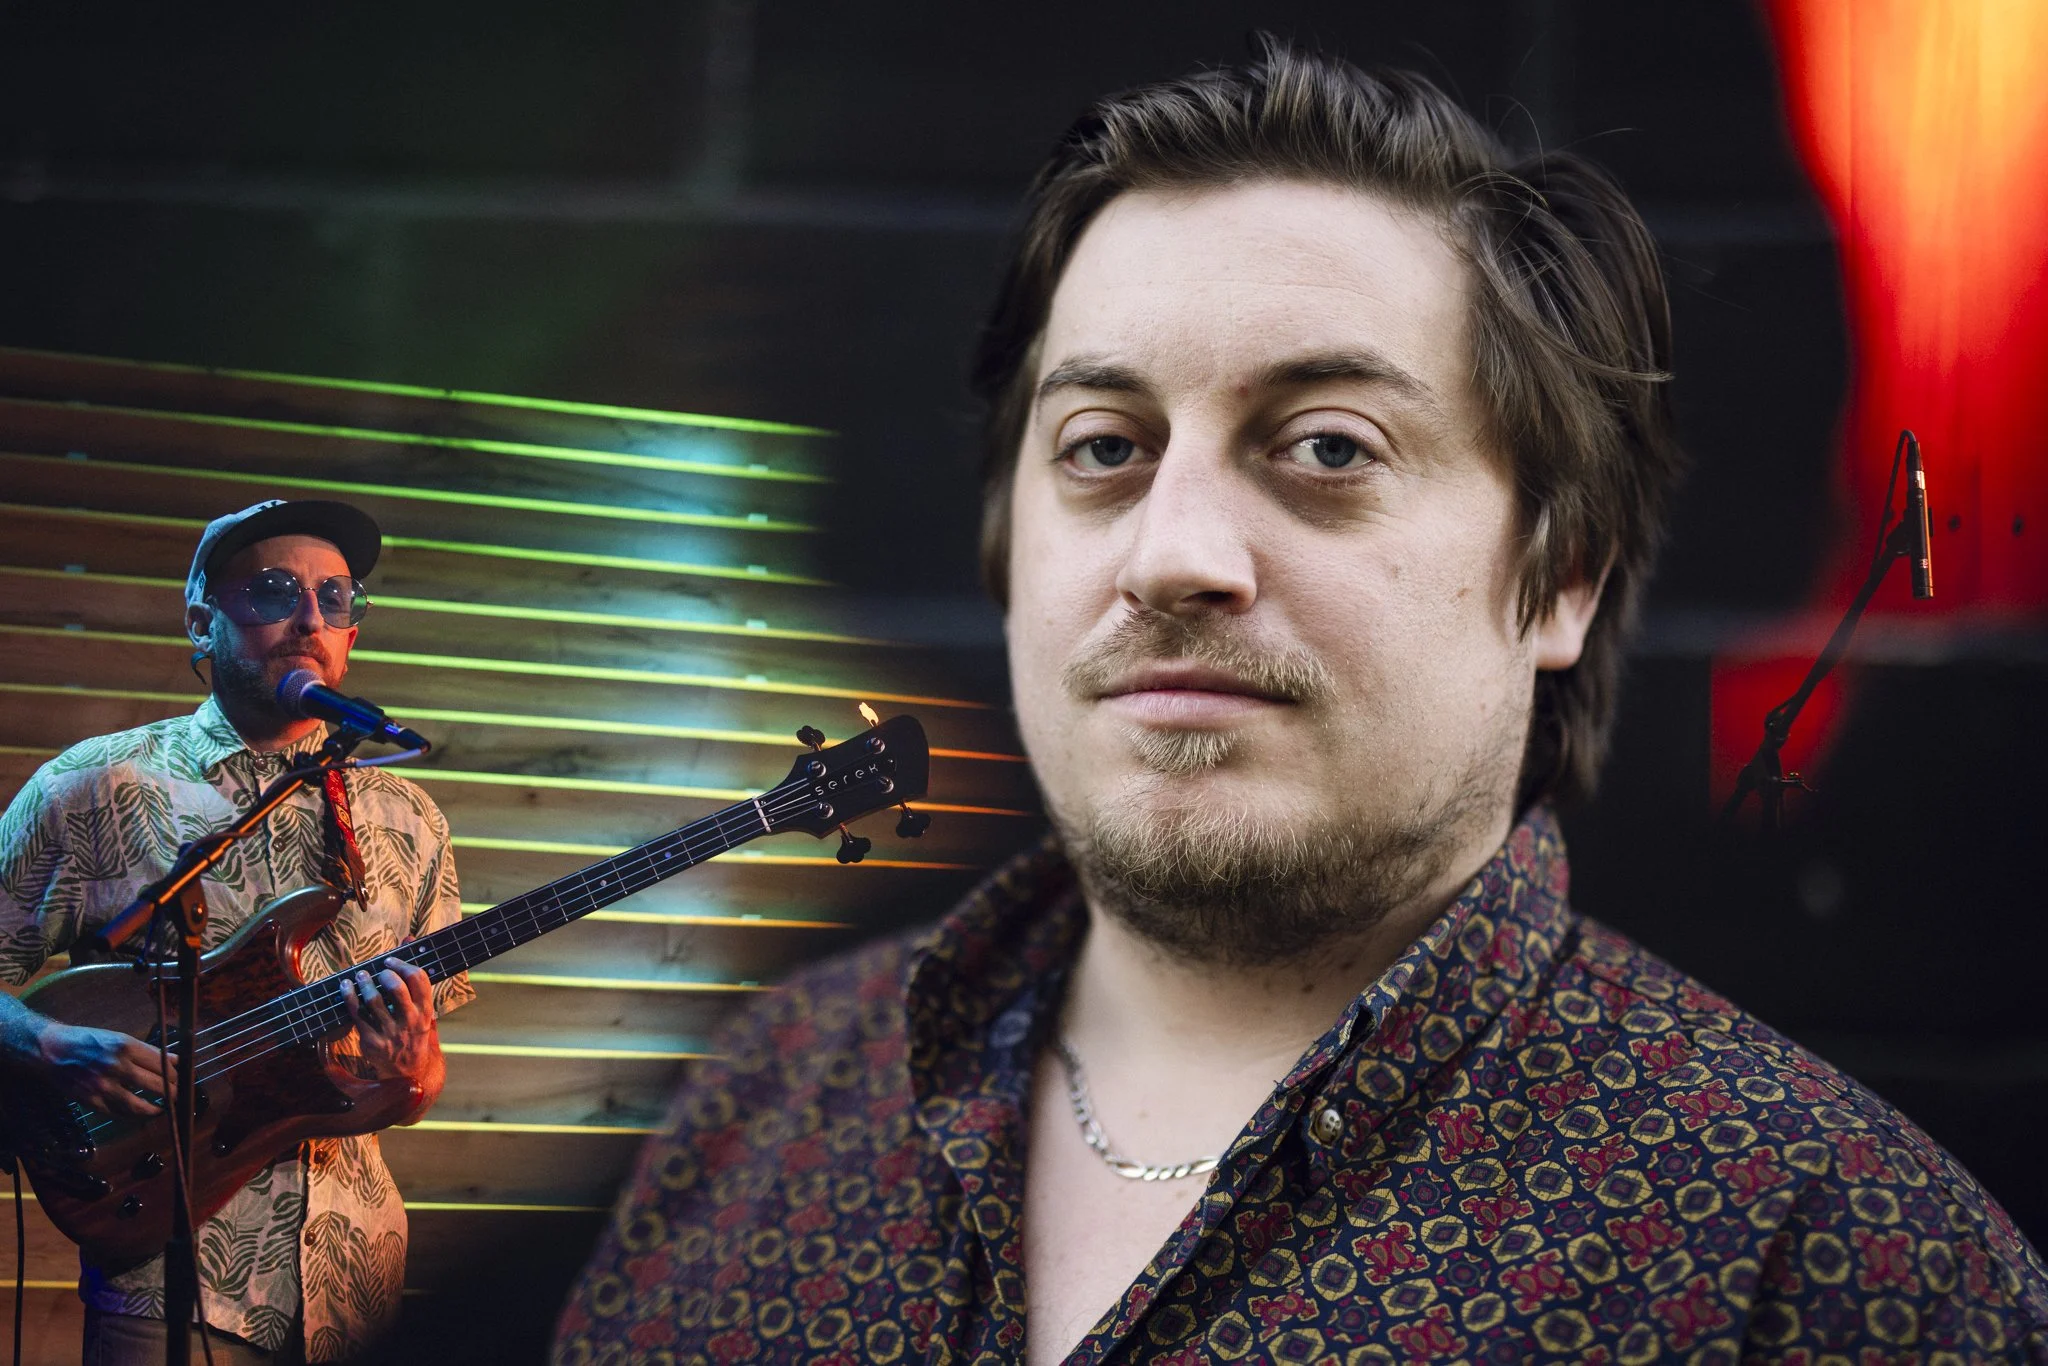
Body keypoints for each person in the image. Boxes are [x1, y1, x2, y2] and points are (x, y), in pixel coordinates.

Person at [554, 43, 2048, 1364]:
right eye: (1101, 446)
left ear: (1563, 573)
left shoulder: (1843, 1270)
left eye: (1328, 448)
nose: (1175, 556)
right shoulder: (768, 1108)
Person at [0, 499, 474, 1364]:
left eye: (337, 598)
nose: (309, 618)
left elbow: (418, 1075)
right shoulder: (97, 786)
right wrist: (51, 1044)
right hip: (166, 1271)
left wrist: (413, 1076)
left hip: (356, 1279)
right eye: (272, 592)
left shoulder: (409, 820)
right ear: (200, 621)